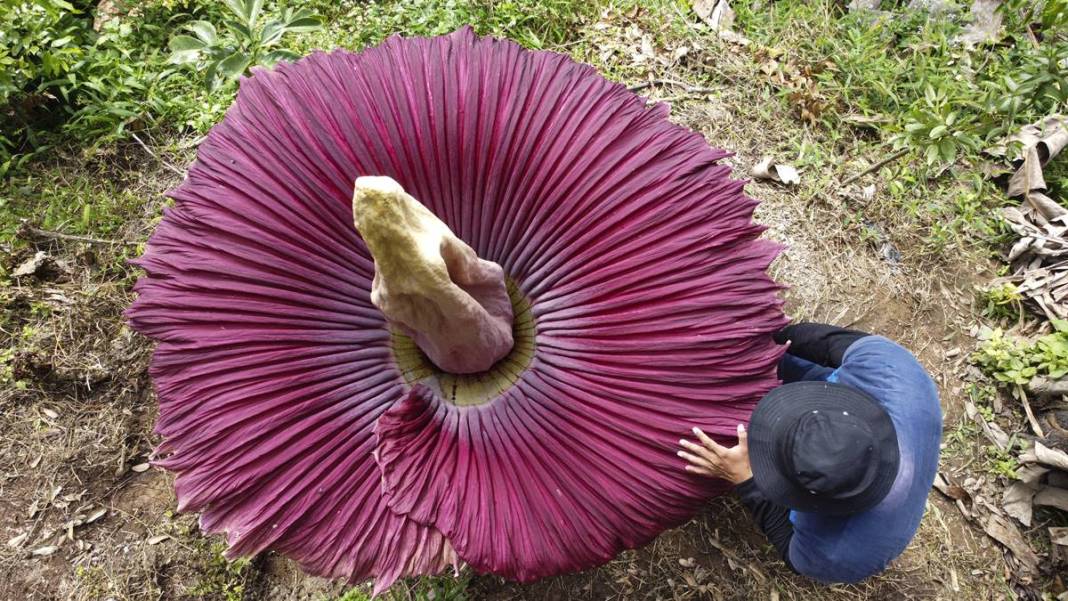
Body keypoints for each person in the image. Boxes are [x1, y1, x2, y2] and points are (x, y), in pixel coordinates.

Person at [678, 322, 942, 583]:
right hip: (885, 419)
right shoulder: (889, 371)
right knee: (784, 363)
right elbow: (819, 341)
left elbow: (790, 548)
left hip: (873, 519)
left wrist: (746, 480)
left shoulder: (836, 553)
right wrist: (760, 341)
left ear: (811, 500)